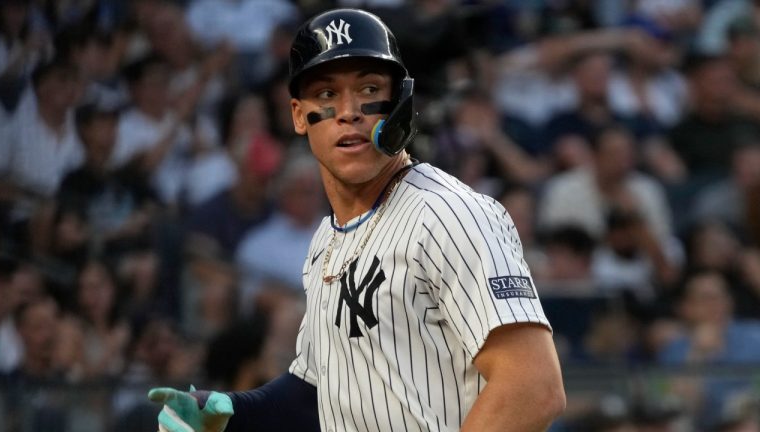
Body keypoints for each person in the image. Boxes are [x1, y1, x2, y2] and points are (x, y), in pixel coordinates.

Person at [148, 8, 566, 432]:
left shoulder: (447, 213)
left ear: (399, 102)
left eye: (368, 88)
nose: (348, 112)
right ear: (297, 115)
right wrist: (227, 410)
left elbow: (532, 385)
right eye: (326, 95)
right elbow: (315, 393)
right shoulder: (327, 241)